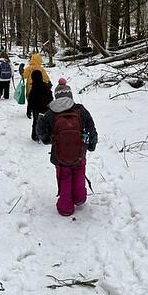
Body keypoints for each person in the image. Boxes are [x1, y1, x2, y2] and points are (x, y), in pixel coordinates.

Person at [37, 79, 98, 217]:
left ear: (56, 96)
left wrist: (47, 140)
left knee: (64, 178)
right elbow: (91, 129)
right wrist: (92, 145)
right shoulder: (80, 110)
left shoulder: (51, 112)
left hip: (60, 156)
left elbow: (40, 129)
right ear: (70, 95)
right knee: (79, 173)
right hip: (79, 154)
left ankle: (65, 208)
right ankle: (80, 198)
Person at [26, 69, 53, 141]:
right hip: (46, 108)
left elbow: (30, 101)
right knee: (47, 122)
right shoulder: (46, 86)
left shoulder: (33, 88)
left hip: (36, 109)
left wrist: (29, 111)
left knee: (36, 122)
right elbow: (51, 97)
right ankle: (47, 135)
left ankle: (35, 135)